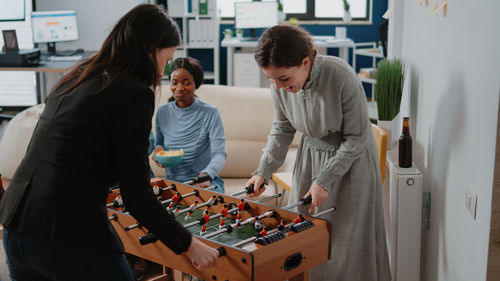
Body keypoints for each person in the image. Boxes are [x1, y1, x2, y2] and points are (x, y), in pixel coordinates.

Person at [0, 4, 219, 281]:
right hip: (66, 235)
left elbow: (72, 155)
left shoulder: (77, 75)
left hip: (15, 226)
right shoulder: (134, 94)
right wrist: (189, 244)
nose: (164, 70)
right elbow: (136, 196)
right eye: (167, 59)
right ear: (151, 50)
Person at [246, 25, 391, 281]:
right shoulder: (279, 87)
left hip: (350, 164)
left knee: (347, 246)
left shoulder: (340, 76)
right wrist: (263, 170)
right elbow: (282, 129)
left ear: (305, 62)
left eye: (283, 79)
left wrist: (325, 179)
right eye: (271, 80)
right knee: (305, 241)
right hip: (309, 161)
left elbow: (357, 137)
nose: (278, 87)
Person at [153, 57, 226, 193]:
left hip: (204, 182)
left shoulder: (211, 112)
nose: (179, 88)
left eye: (186, 83)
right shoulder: (162, 112)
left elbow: (219, 153)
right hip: (173, 184)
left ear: (195, 84)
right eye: (174, 83)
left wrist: (207, 174)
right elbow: (159, 143)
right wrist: (158, 152)